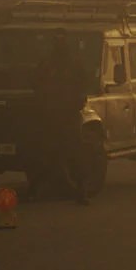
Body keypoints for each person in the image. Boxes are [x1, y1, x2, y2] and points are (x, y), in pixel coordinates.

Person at [28, 30, 91, 205]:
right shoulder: (46, 65)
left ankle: (81, 191)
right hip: (49, 116)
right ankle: (35, 190)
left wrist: (75, 104)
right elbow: (35, 84)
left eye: (61, 40)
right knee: (44, 154)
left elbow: (83, 87)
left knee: (76, 155)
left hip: (68, 116)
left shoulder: (74, 66)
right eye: (57, 40)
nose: (59, 44)